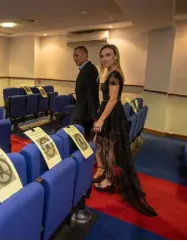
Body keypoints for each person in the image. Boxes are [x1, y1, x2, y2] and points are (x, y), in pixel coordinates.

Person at [92, 44, 157, 217]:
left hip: (112, 114)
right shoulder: (112, 73)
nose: (105, 58)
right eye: (102, 56)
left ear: (115, 56)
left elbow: (112, 100)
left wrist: (101, 119)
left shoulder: (114, 75)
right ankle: (107, 175)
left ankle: (110, 180)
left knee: (110, 148)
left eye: (108, 55)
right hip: (110, 113)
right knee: (104, 146)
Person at [72, 46, 100, 141]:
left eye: (76, 55)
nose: (74, 58)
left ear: (85, 55)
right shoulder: (90, 69)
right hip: (84, 113)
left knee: (81, 142)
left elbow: (91, 95)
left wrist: (93, 117)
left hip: (84, 116)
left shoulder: (88, 71)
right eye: (73, 56)